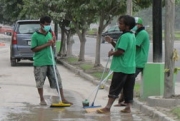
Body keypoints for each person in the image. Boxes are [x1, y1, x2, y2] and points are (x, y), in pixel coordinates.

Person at [96, 15, 136, 113]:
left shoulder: (124, 36)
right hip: (130, 67)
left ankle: (108, 107)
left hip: (121, 67)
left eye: (121, 24)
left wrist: (111, 53)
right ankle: (128, 108)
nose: (119, 25)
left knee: (115, 87)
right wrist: (112, 42)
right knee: (128, 89)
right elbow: (122, 48)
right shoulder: (132, 35)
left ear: (127, 26)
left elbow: (120, 51)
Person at [31, 16, 72, 105]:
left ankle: (63, 98)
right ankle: (42, 99)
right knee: (40, 82)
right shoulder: (35, 35)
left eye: (49, 24)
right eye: (46, 24)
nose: (48, 26)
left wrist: (52, 43)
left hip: (51, 61)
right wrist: (46, 44)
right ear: (41, 24)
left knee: (58, 80)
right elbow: (33, 49)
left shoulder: (49, 33)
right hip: (40, 62)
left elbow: (51, 46)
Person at [114, 17, 150, 106]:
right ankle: (124, 101)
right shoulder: (135, 34)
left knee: (128, 82)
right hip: (134, 60)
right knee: (126, 82)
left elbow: (133, 46)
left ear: (140, 25)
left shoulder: (142, 33)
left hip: (138, 61)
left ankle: (125, 101)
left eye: (136, 24)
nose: (134, 26)